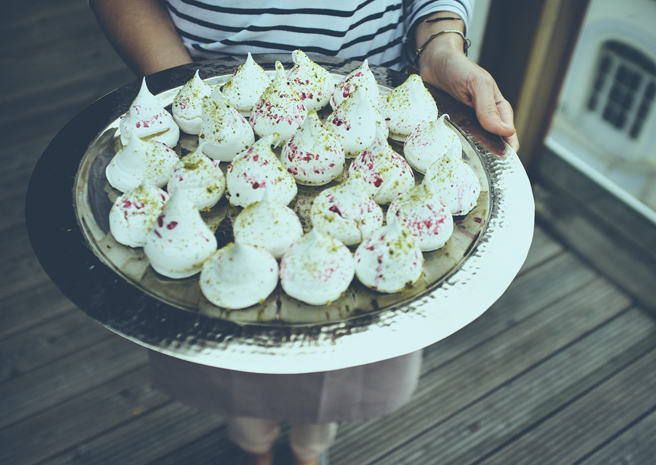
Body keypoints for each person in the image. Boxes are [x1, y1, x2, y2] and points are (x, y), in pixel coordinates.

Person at [89, 2, 519, 464]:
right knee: (233, 338)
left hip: (375, 98)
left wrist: (441, 45)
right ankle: (252, 445)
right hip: (209, 88)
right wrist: (191, 90)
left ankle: (310, 449)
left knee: (343, 337)